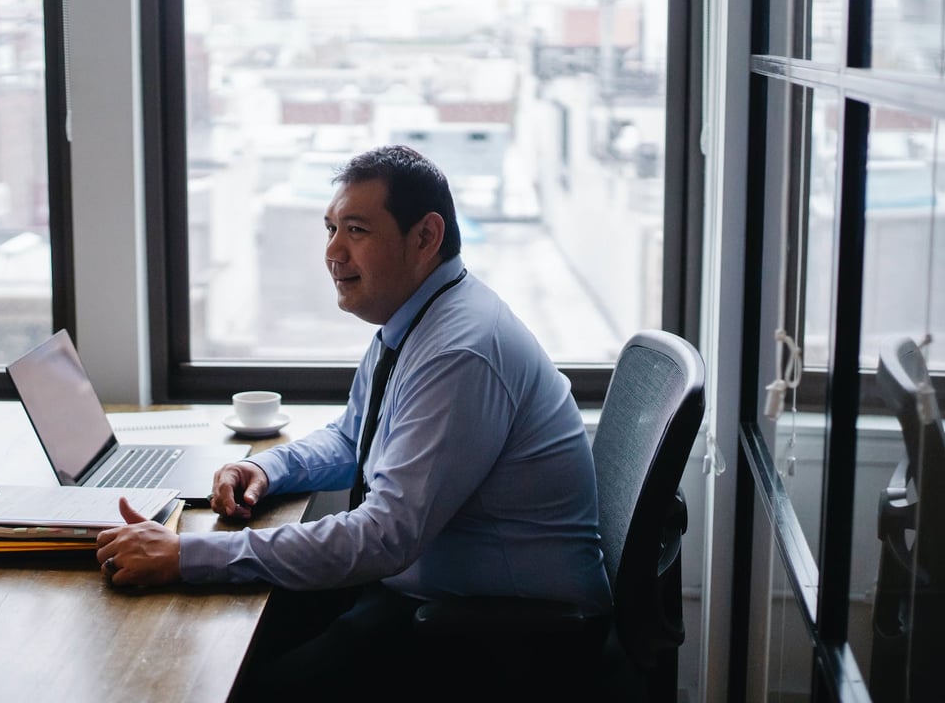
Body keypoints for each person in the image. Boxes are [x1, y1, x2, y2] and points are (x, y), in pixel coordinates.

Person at [95, 145, 611, 690]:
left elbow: (385, 536)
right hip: (433, 600)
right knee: (224, 641)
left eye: (357, 230)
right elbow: (353, 440)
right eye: (330, 229)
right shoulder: (416, 320)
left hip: (505, 635)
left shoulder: (460, 351)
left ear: (426, 237)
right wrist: (270, 470)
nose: (333, 252)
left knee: (243, 680)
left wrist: (185, 554)